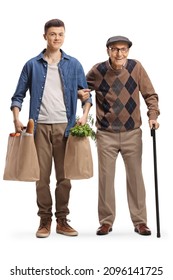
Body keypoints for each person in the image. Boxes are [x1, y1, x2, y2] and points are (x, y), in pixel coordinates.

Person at [10, 19, 92, 238]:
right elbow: (18, 96)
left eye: (61, 34)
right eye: (53, 34)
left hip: (66, 128)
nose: (57, 37)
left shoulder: (73, 64)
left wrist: (84, 114)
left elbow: (86, 94)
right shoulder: (32, 65)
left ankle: (62, 219)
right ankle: (44, 220)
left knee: (65, 177)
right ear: (44, 36)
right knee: (42, 177)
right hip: (39, 128)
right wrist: (16, 118)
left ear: (64, 36)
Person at [86, 35, 160, 236]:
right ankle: (106, 222)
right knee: (106, 179)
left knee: (136, 177)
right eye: (115, 49)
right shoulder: (98, 71)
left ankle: (140, 222)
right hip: (106, 134)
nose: (120, 53)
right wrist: (83, 95)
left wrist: (152, 116)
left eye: (124, 49)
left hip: (132, 133)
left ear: (128, 51)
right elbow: (82, 89)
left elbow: (150, 95)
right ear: (108, 50)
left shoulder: (136, 68)